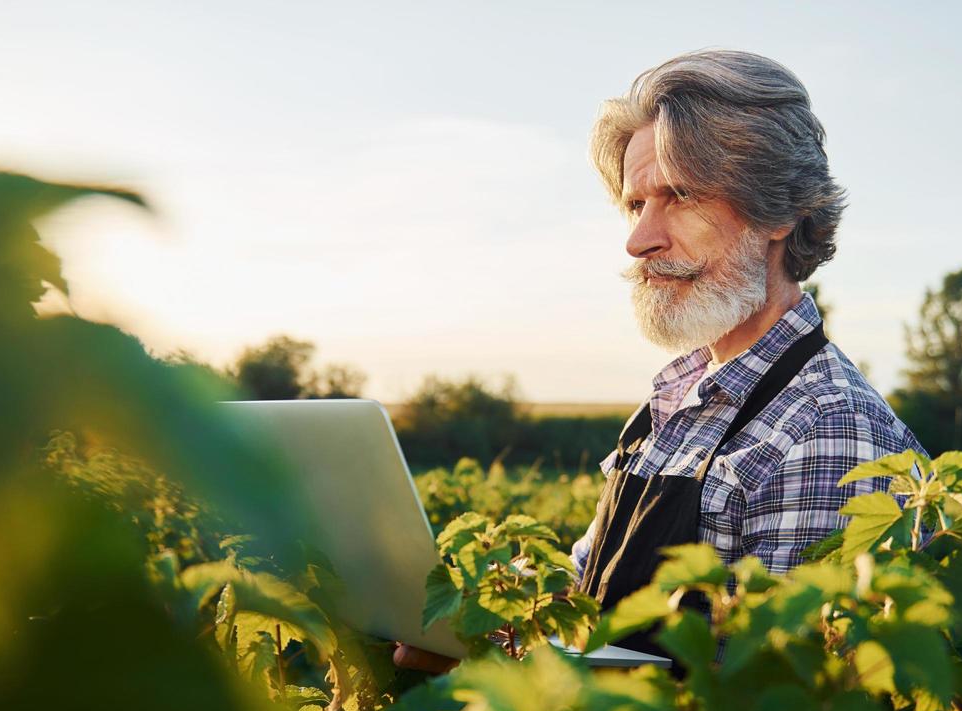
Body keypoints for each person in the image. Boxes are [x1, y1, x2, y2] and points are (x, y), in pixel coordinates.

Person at [395, 49, 926, 675]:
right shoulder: (675, 401)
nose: (638, 239)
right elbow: (591, 597)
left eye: (678, 196)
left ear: (779, 211)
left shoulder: (826, 430)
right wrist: (482, 625)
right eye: (634, 206)